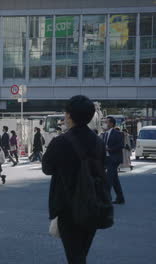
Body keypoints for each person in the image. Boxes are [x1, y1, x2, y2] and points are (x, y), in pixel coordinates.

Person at [43, 95, 109, 264]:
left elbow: (47, 168)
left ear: (69, 116)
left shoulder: (60, 141)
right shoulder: (98, 142)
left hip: (67, 206)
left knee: (75, 256)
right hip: (93, 202)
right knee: (81, 253)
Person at [102, 116, 125, 204]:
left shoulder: (117, 133)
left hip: (114, 159)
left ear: (111, 123)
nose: (104, 123)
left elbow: (121, 145)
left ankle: (105, 200)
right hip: (107, 159)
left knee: (109, 179)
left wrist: (109, 149)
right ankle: (120, 198)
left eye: (106, 122)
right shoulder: (104, 134)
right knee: (115, 179)